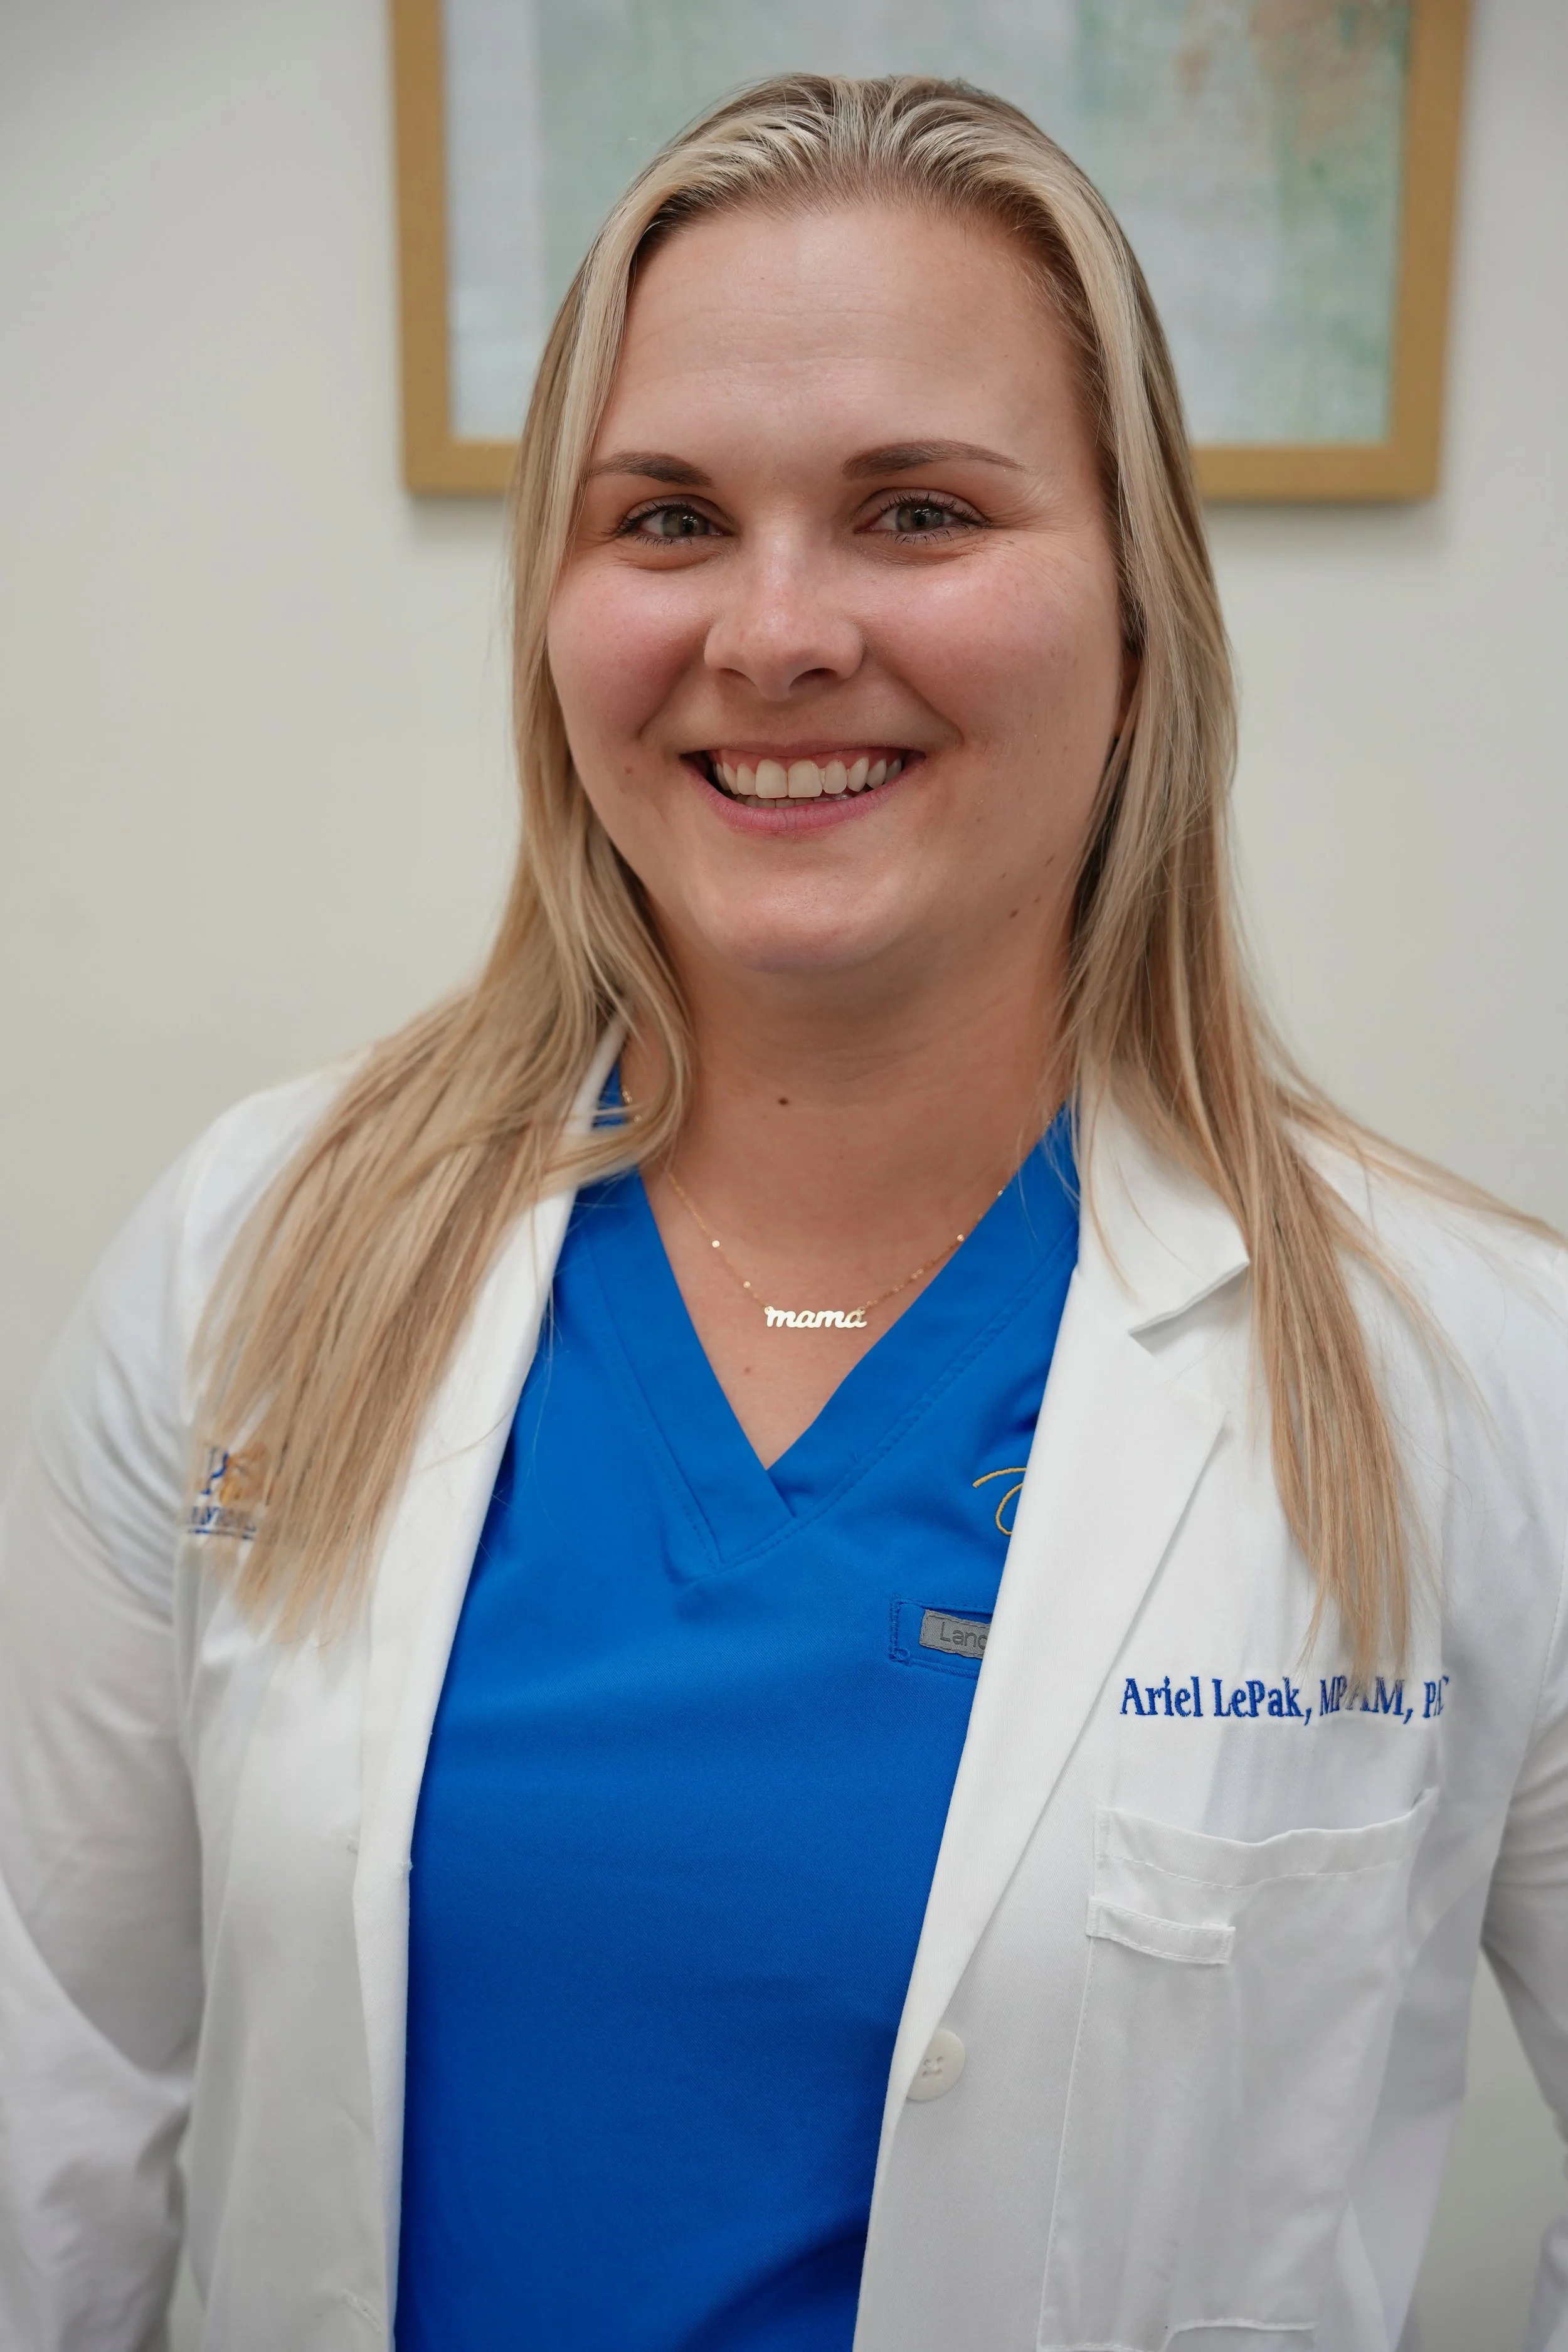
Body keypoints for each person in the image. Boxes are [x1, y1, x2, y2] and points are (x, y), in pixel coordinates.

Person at [1, 70, 1564, 2352]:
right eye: (663, 520)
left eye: (916, 510)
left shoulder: (1479, 1377)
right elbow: (58, 2108)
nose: (777, 629)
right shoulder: (256, 1256)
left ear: (1141, 626)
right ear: (556, 616)